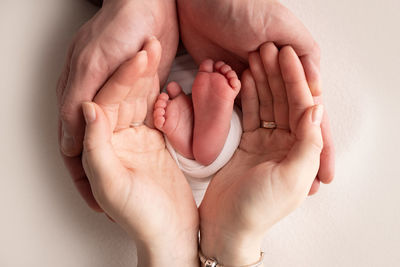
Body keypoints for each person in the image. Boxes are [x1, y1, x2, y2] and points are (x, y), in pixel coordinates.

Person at [57, 0, 333, 216]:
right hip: (224, 84)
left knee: (135, 125)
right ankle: (206, 141)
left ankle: (197, 141)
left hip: (155, 92)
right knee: (244, 128)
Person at [80, 37, 324, 266]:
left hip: (159, 151)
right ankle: (204, 143)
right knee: (226, 150)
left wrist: (171, 249)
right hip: (195, 164)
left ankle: (204, 141)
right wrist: (230, 243)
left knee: (228, 144)